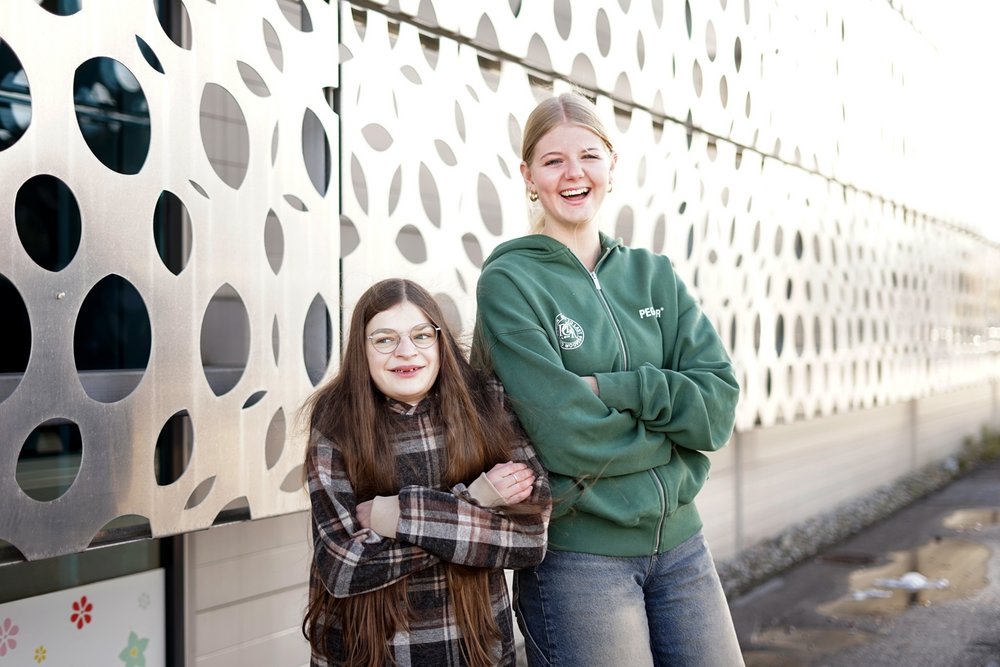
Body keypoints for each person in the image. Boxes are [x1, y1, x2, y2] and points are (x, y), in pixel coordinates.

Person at [472, 91, 744, 666]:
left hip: (683, 547)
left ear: (612, 166)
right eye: (553, 161)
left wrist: (617, 389)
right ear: (528, 177)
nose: (574, 173)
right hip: (579, 559)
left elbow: (718, 407)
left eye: (589, 156)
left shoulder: (654, 275)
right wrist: (671, 437)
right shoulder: (510, 283)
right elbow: (566, 436)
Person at [302, 278, 551, 667]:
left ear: (439, 340)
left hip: (474, 646)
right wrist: (477, 499)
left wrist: (398, 516)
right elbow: (343, 568)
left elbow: (529, 538)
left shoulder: (487, 400)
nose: (406, 351)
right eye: (384, 339)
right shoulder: (336, 419)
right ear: (361, 350)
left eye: (421, 335)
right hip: (367, 650)